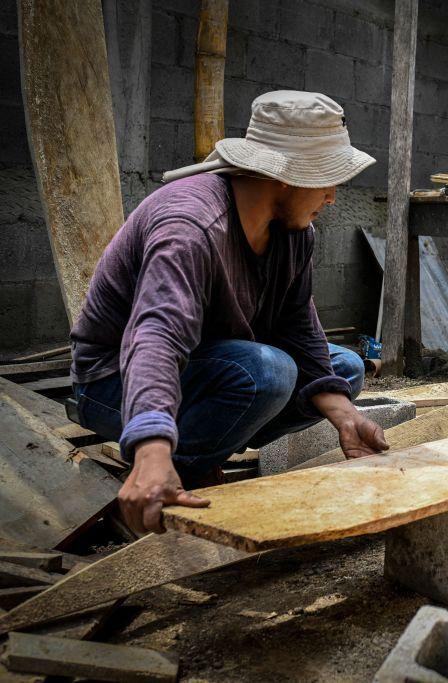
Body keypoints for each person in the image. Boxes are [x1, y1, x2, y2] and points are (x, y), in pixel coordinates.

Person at [71, 91, 388, 534]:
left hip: (208, 366)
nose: (332, 196)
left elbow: (296, 321)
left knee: (344, 370)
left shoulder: (294, 232)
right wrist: (150, 448)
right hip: (115, 382)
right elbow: (156, 338)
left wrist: (345, 415)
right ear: (284, 176)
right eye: (325, 180)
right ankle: (168, 475)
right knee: (267, 372)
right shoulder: (191, 226)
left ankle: (209, 447)